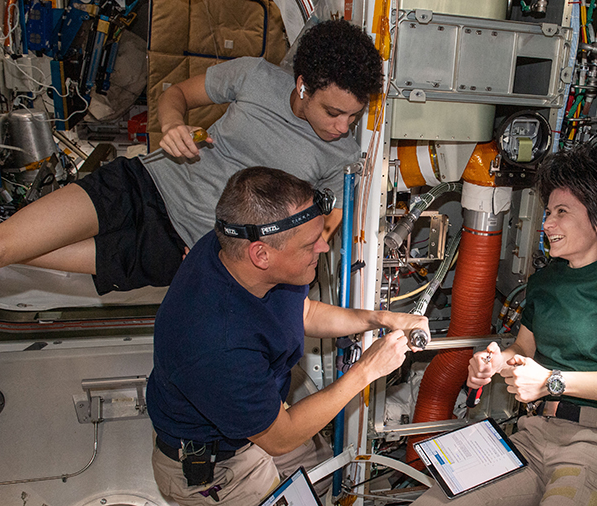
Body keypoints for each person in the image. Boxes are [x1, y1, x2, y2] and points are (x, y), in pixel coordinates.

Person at [0, 19, 382, 294]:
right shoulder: (256, 77)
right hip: (141, 186)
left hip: (176, 248)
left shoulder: (342, 155)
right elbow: (176, 94)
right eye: (333, 112)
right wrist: (172, 125)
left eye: (354, 115)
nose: (343, 127)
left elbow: (315, 236)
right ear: (304, 85)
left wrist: (225, 267)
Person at [147, 166, 429, 506]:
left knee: (323, 472)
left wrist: (378, 318)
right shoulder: (215, 342)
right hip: (222, 469)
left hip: (258, 422)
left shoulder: (230, 246)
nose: (324, 247)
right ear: (261, 255)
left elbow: (304, 312)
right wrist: (368, 369)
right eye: (311, 243)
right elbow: (280, 438)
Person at [412, 140, 597, 506]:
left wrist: (552, 382)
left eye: (561, 212)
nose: (547, 224)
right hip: (532, 436)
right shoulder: (546, 281)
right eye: (547, 213)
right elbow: (524, 349)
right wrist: (496, 361)